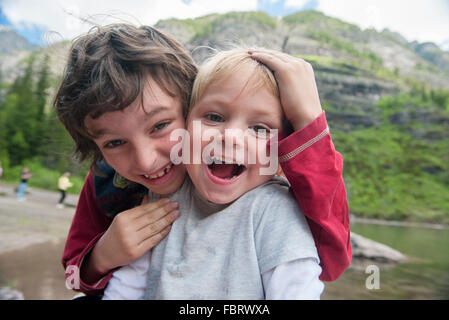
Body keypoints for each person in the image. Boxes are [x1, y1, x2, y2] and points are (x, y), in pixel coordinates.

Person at [55, 24, 350, 297]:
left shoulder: (268, 200)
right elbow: (73, 278)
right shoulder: (106, 180)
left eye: (160, 126)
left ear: (190, 103)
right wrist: (103, 257)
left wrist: (309, 121)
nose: (145, 162)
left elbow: (331, 262)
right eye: (115, 143)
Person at [102, 48, 323, 299]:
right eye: (214, 117)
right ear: (185, 123)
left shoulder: (275, 211)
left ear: (280, 154)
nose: (230, 136)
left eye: (260, 128)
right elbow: (127, 287)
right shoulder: (164, 198)